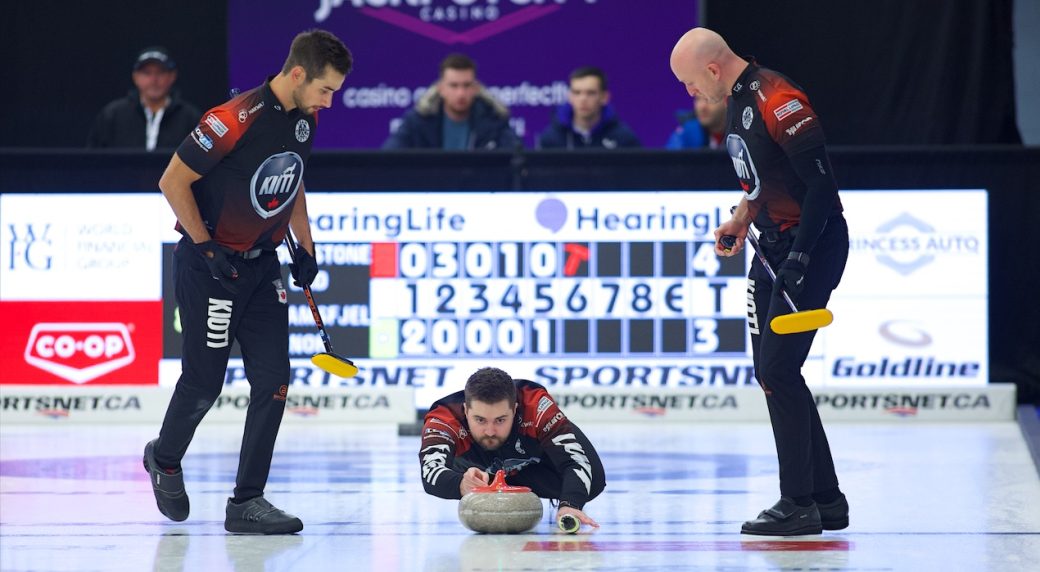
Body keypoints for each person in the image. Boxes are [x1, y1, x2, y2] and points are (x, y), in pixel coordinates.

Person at [143, 29, 352, 535]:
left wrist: (306, 248)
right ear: (297, 74)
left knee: (274, 379)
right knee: (204, 383)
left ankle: (247, 501)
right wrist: (206, 247)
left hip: (261, 268)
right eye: (325, 89)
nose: (329, 102)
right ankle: (164, 458)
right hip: (212, 266)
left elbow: (292, 178)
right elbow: (172, 181)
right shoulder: (232, 118)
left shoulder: (305, 118)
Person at [670, 27, 850, 536]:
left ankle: (797, 503)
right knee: (774, 373)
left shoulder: (778, 99)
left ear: (712, 68)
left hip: (810, 246)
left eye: (689, 82)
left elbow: (821, 188)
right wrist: (740, 219)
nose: (690, 93)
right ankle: (826, 499)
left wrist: (801, 257)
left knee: (777, 370)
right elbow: (760, 180)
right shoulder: (734, 99)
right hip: (769, 247)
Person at [419, 367, 605, 531]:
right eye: (480, 420)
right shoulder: (443, 418)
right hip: (477, 471)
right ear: (466, 410)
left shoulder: (536, 405)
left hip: (535, 464)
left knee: (593, 482)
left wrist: (570, 504)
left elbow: (576, 461)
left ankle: (510, 480)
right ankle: (491, 479)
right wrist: (461, 483)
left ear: (515, 410)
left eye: (500, 420)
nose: (490, 431)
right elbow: (430, 472)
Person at [383, 53, 519, 150]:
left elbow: (518, 156)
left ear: (476, 88)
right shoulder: (419, 120)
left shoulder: (494, 120)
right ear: (440, 88)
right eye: (454, 85)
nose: (461, 93)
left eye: (467, 85)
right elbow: (389, 157)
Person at [87, 47, 201, 150]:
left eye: (160, 72)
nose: (154, 80)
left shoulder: (190, 118)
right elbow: (93, 160)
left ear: (172, 76)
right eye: (147, 73)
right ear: (135, 77)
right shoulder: (112, 115)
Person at [537, 66, 641, 149]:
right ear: (570, 97)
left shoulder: (624, 139)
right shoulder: (551, 139)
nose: (583, 99)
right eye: (577, 92)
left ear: (604, 97)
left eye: (590, 93)